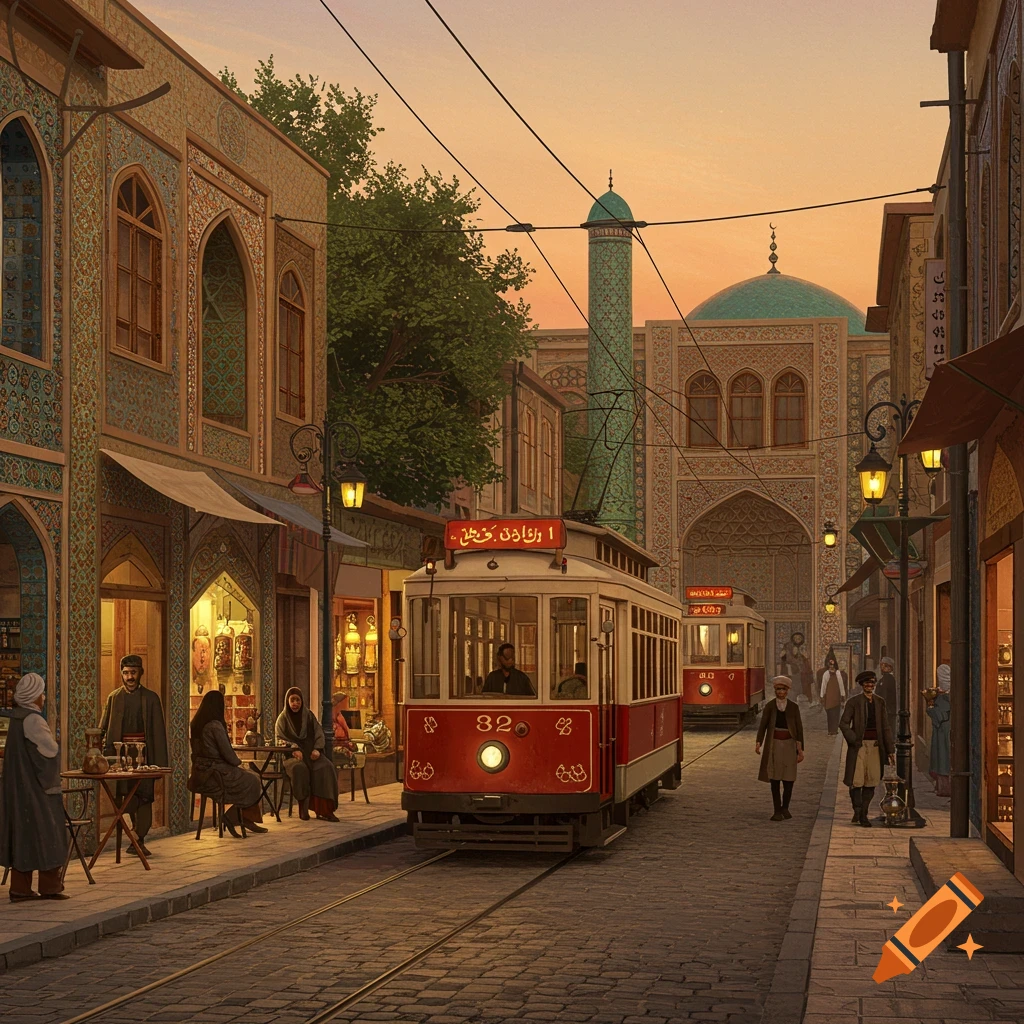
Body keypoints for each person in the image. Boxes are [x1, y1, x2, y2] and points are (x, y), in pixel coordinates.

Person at [0, 673, 70, 901]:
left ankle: (20, 887)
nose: (43, 697)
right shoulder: (33, 719)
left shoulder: (16, 718)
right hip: (37, 790)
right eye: (41, 693)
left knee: (24, 836)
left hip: (19, 789)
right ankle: (49, 886)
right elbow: (49, 751)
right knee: (48, 833)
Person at [98, 654, 168, 857]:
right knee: (126, 798)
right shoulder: (114, 697)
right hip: (121, 757)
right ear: (122, 673)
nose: (130, 677)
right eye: (126, 673)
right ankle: (137, 839)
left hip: (144, 756)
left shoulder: (151, 698)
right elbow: (103, 728)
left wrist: (159, 762)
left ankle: (138, 838)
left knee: (144, 796)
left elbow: (158, 732)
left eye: (133, 673)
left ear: (140, 673)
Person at [189, 690, 267, 837]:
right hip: (216, 774)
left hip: (200, 773)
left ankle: (238, 817)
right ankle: (238, 817)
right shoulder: (214, 726)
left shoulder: (196, 724)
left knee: (248, 776)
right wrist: (237, 762)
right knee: (253, 779)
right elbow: (227, 753)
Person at [839, 670, 896, 827]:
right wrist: (853, 739)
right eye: (867, 684)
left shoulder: (880, 702)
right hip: (859, 747)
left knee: (871, 781)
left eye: (872, 683)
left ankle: (863, 813)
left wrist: (890, 749)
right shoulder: (854, 702)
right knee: (856, 781)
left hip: (876, 747)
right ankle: (857, 810)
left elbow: (885, 727)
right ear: (862, 685)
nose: (870, 686)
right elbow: (843, 723)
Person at [275, 687, 340, 822]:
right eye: (292, 700)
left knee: (326, 767)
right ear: (287, 701)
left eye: (298, 700)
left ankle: (324, 810)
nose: (295, 704)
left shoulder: (308, 715)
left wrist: (317, 749)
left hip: (310, 753)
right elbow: (279, 739)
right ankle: (303, 807)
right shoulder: (282, 719)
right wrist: (292, 748)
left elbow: (319, 733)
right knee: (300, 769)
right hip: (291, 757)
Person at [754, 676, 805, 821]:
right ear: (775, 690)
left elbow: (799, 729)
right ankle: (777, 810)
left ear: (787, 691)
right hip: (774, 744)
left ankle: (785, 808)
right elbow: (763, 725)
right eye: (778, 689)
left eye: (783, 689)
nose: (780, 692)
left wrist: (800, 749)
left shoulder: (793, 707)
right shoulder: (770, 706)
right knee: (775, 778)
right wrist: (759, 742)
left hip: (790, 745)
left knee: (789, 779)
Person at [927, 664, 951, 797]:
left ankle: (944, 788)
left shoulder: (945, 697)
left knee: (943, 759)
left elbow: (939, 714)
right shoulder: (944, 695)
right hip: (942, 732)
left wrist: (930, 705)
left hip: (943, 732)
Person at [818, 653, 847, 736]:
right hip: (829, 698)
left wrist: (843, 696)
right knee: (830, 714)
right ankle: (830, 730)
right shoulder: (826, 674)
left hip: (836, 697)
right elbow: (823, 685)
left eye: (832, 664)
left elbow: (841, 685)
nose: (831, 666)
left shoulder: (838, 673)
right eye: (830, 664)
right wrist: (822, 696)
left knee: (836, 713)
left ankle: (834, 730)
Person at [877, 657, 899, 746]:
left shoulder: (889, 679)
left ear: (889, 668)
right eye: (881, 665)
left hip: (888, 710)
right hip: (886, 709)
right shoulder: (884, 678)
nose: (881, 667)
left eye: (884, 665)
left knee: (888, 729)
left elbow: (885, 695)